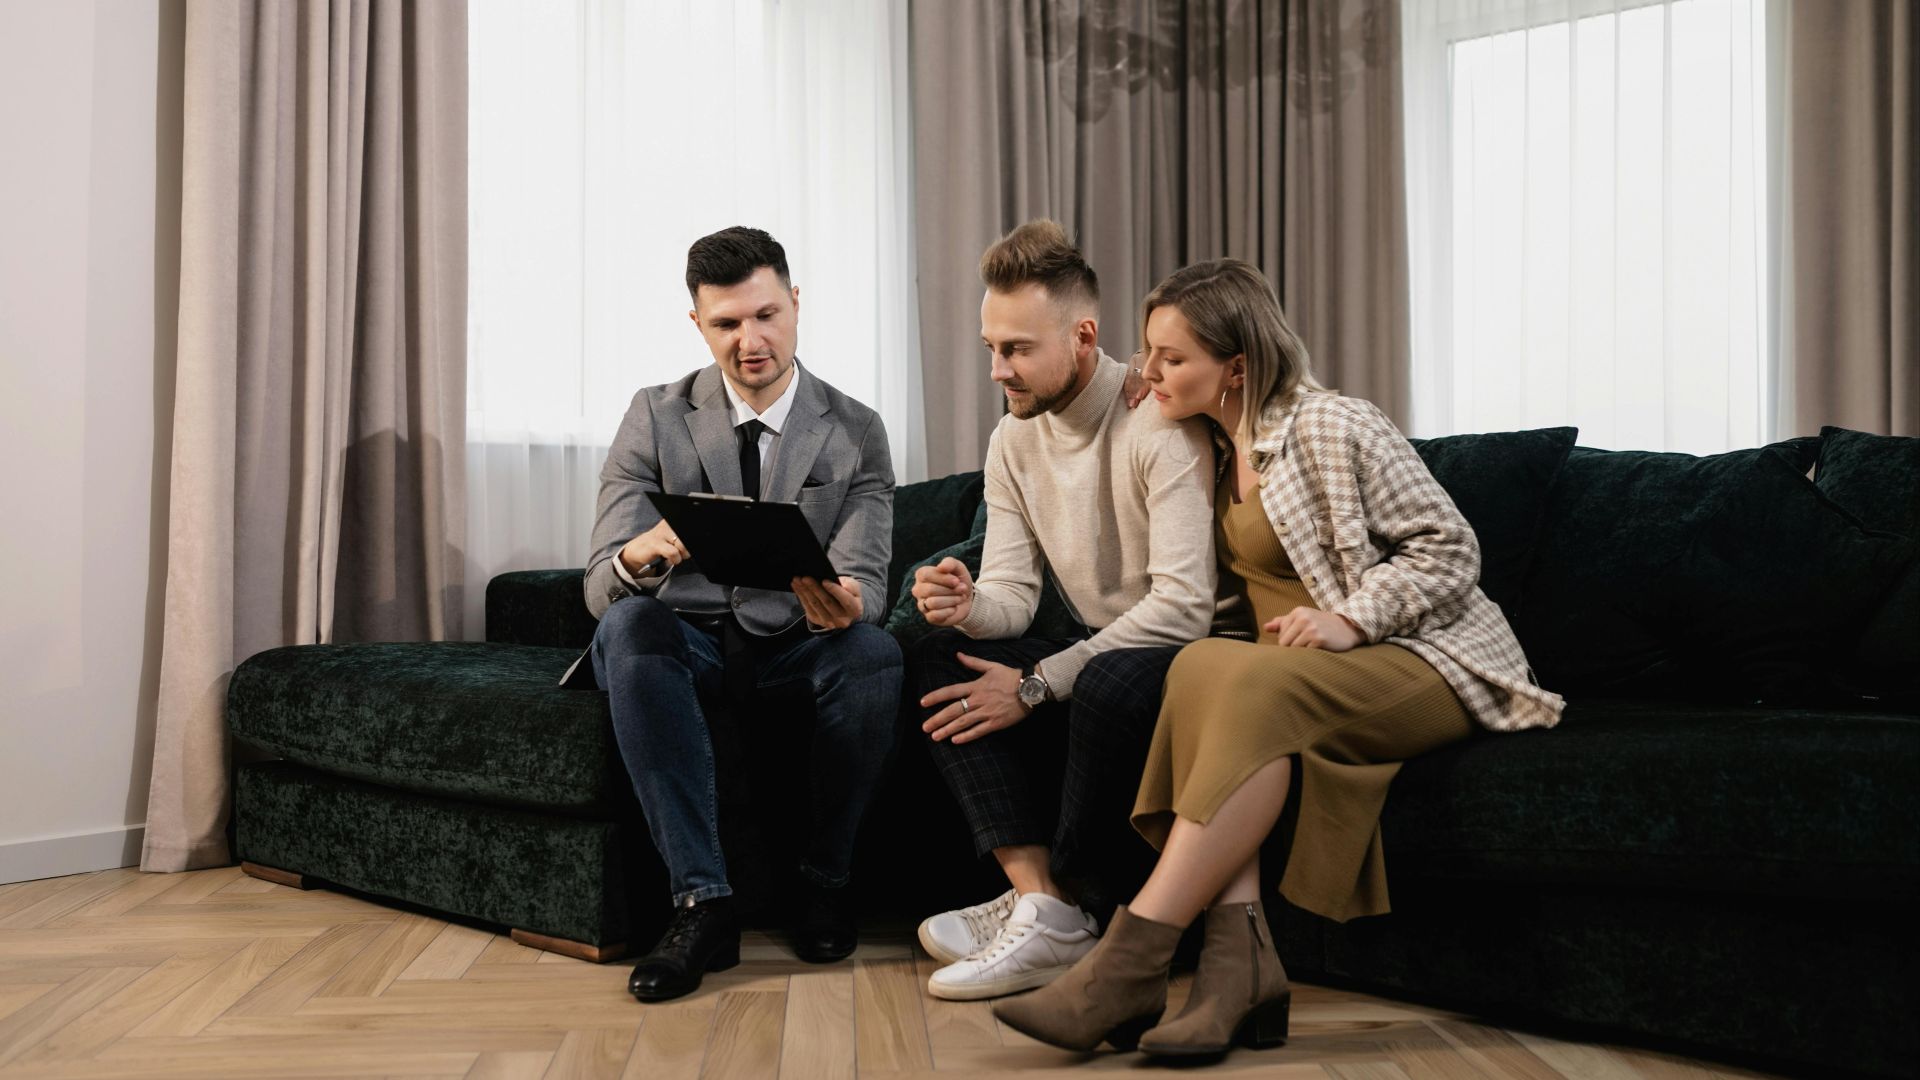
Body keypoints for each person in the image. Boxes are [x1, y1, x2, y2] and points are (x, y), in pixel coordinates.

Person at [994, 259, 1565, 1057]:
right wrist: (1146, 388)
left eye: (1172, 358)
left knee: (1228, 676)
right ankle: (1241, 974)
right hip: (1294, 676)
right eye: (1148, 352)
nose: (1149, 370)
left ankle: (1131, 963)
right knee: (1197, 667)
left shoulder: (1335, 424)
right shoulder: (1212, 443)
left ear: (1238, 367)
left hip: (1427, 661)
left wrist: (1351, 620)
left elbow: (1450, 549)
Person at [906, 221, 1228, 1002]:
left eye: (1016, 349)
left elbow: (1184, 609)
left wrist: (1037, 685)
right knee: (927, 654)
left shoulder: (1159, 421)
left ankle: (1077, 904)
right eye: (990, 347)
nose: (996, 369)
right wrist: (963, 606)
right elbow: (1014, 598)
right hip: (1100, 644)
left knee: (1109, 678)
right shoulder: (1012, 442)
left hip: (1192, 655)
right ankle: (1042, 900)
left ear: (1083, 337)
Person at [583, 226, 902, 1002]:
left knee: (874, 656)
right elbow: (599, 586)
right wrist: (638, 556)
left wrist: (849, 601)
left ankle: (824, 882)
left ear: (795, 304)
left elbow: (869, 580)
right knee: (627, 625)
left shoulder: (856, 428)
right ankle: (701, 901)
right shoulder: (653, 416)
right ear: (697, 324)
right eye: (726, 324)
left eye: (766, 315)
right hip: (681, 640)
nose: (750, 341)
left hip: (795, 647)